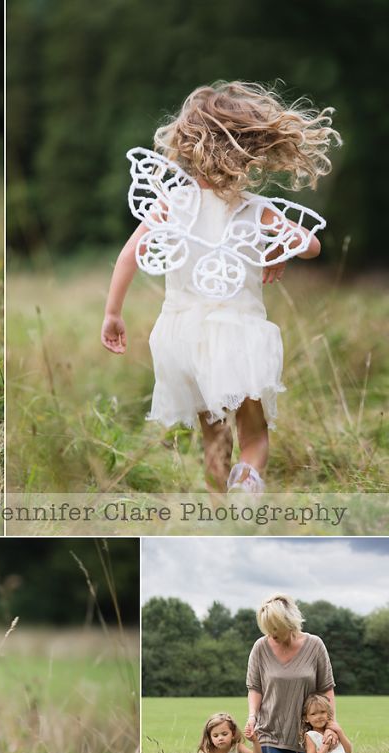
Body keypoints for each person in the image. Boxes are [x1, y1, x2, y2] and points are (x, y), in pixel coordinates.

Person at [101, 81, 341, 492]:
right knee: (254, 436)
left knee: (214, 439)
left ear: (186, 147)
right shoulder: (256, 210)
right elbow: (313, 245)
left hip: (183, 338)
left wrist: (112, 314)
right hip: (237, 335)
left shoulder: (170, 204)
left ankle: (219, 512)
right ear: (250, 153)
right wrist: (277, 247)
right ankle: (248, 480)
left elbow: (128, 257)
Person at [245, 593, 337, 753]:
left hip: (305, 735)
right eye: (267, 629)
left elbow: (326, 689)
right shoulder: (261, 647)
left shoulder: (315, 645)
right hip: (268, 732)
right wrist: (252, 715)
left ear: (290, 623)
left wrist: (331, 726)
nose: (271, 634)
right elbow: (254, 687)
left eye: (276, 628)